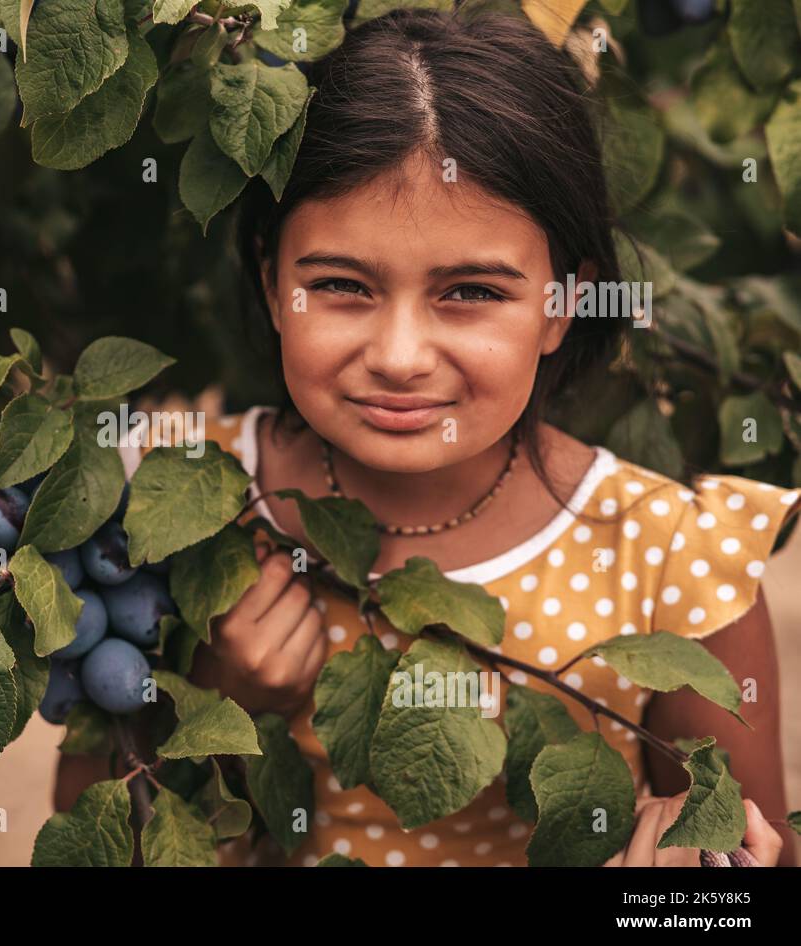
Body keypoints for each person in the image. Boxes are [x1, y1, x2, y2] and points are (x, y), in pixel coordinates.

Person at [54, 7, 798, 867]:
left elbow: (753, 855)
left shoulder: (674, 560)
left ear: (563, 303)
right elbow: (87, 833)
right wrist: (216, 701)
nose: (401, 358)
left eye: (472, 292)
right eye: (341, 285)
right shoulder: (170, 503)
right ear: (270, 286)